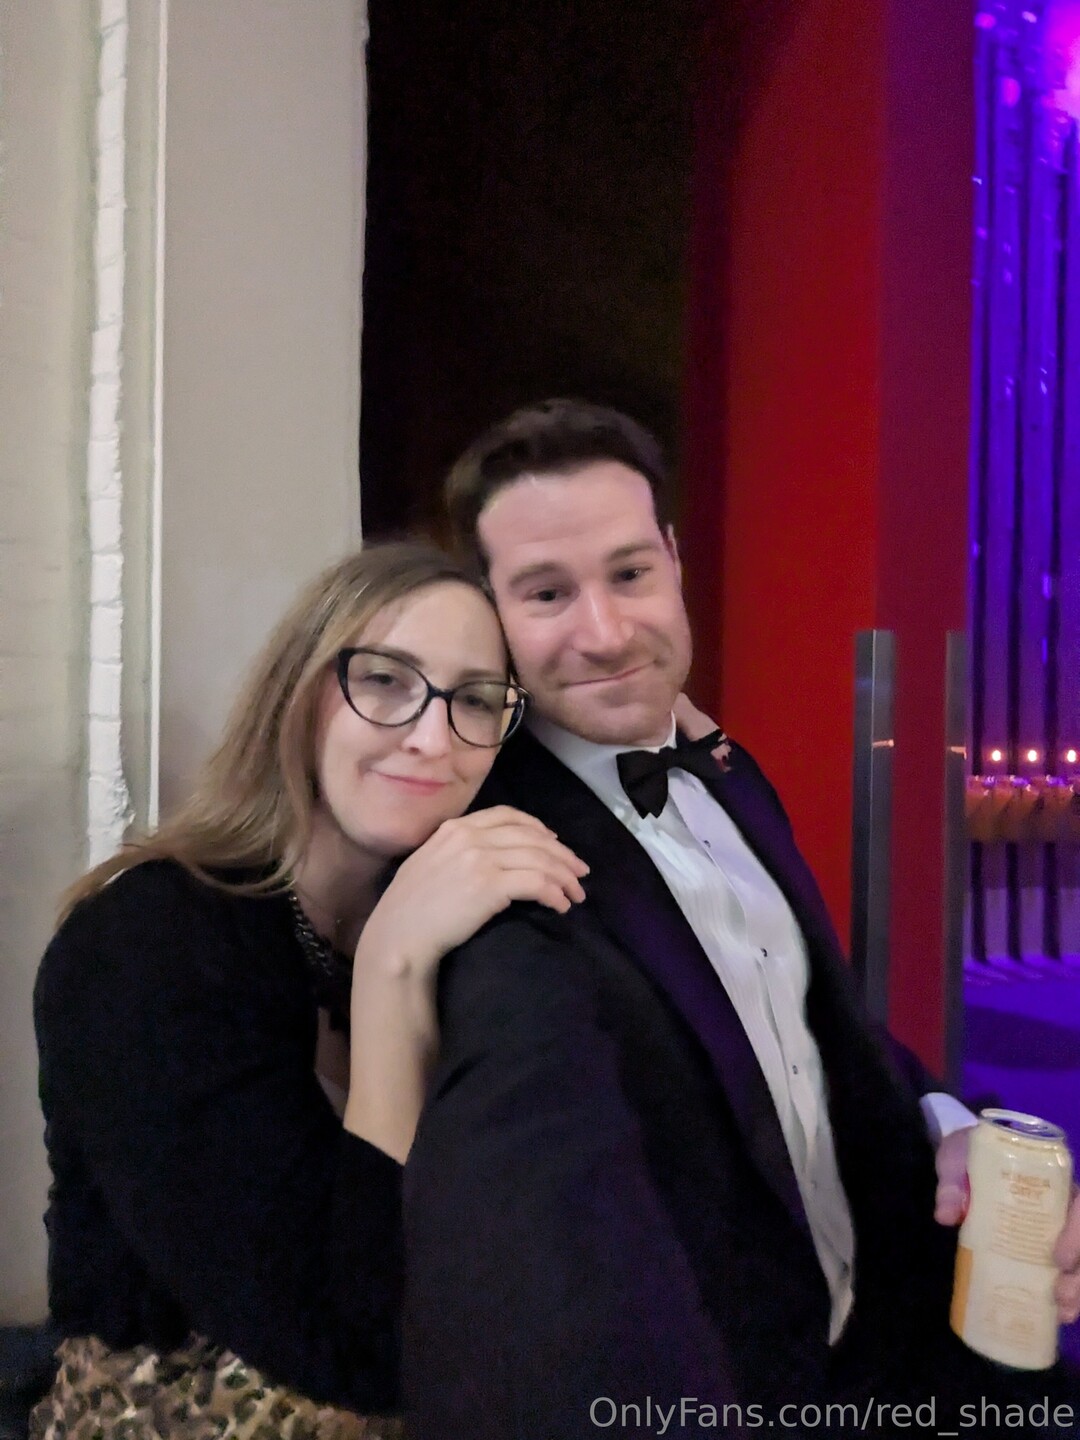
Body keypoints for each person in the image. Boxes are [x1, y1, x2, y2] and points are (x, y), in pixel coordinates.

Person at [403, 400, 1080, 1438]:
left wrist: (953, 1130)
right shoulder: (501, 874)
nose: (607, 631)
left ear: (674, 561)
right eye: (547, 593)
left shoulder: (724, 769)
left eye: (631, 573)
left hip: (904, 1354)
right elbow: (550, 1249)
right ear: (490, 617)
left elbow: (819, 1038)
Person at [30, 540, 590, 1440]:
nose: (432, 737)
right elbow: (349, 1348)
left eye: (477, 700)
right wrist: (393, 975)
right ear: (298, 691)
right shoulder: (146, 946)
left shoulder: (470, 925)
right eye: (386, 681)